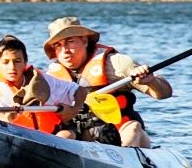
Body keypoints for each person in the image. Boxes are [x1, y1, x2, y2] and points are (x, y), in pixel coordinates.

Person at [43, 17, 172, 148]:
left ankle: (125, 158)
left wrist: (151, 81)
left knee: (133, 128)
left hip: (121, 132)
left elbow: (164, 93)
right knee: (63, 136)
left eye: (70, 42)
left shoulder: (117, 63)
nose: (65, 50)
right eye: (58, 45)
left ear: (85, 41)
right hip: (82, 137)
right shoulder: (52, 77)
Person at [0, 35, 88, 139]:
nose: (12, 67)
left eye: (17, 61)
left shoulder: (42, 82)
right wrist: (10, 116)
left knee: (68, 134)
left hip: (54, 135)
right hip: (18, 138)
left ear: (25, 63)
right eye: (5, 62)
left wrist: (74, 109)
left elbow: (80, 90)